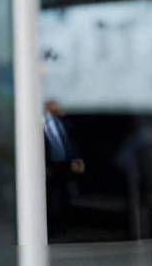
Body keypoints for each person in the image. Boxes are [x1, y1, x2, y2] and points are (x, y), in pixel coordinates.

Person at [43, 99, 85, 239]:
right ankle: (50, 229)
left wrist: (75, 158)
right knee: (49, 197)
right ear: (49, 106)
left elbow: (69, 142)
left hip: (63, 165)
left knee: (63, 196)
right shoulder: (40, 122)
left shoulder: (62, 123)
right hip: (48, 167)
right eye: (57, 104)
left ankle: (62, 227)